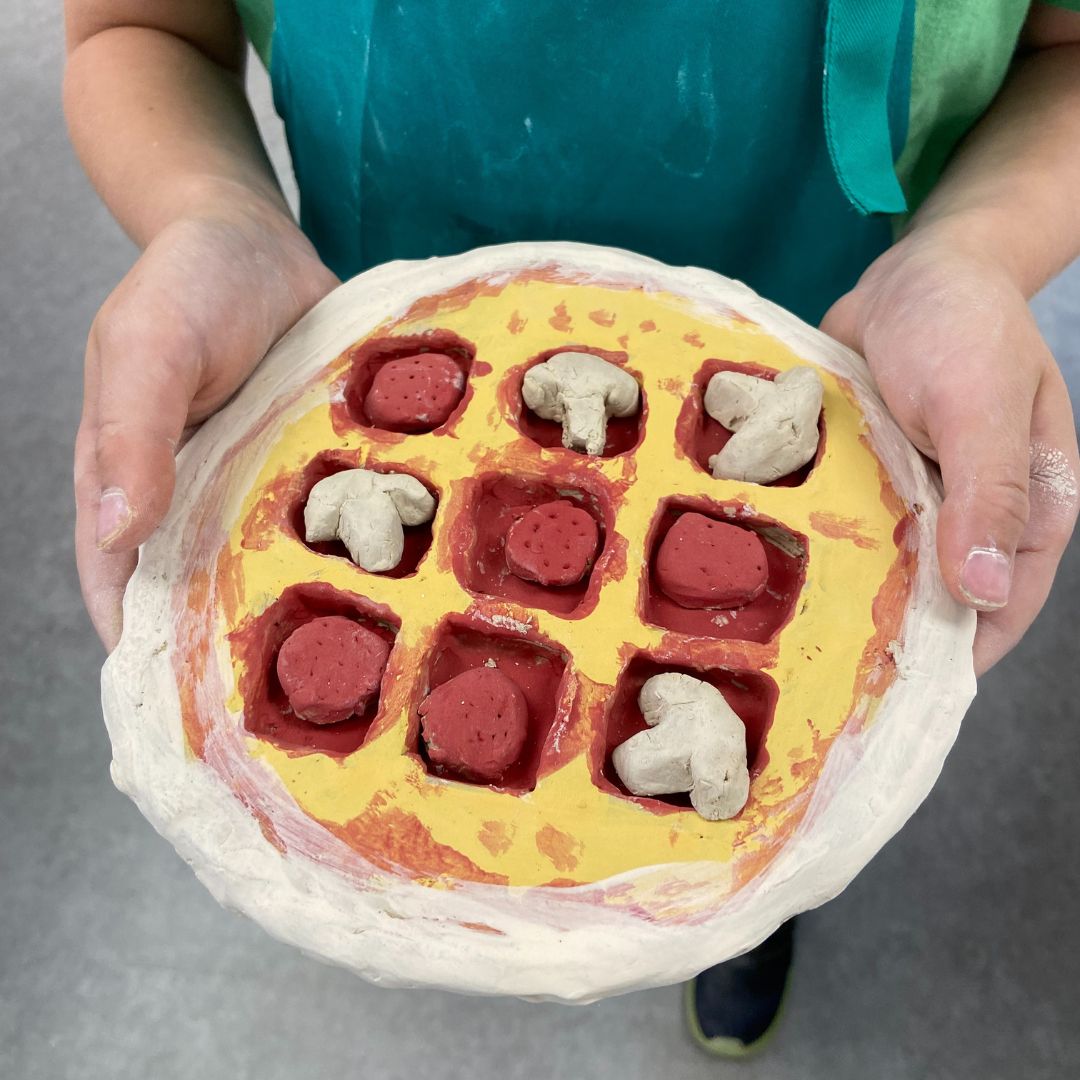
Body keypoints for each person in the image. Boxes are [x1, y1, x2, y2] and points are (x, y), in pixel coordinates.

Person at [64, 0, 1080, 1058]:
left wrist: (975, 249)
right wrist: (215, 212)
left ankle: (744, 912)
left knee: (767, 824)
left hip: (835, 333)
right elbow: (137, 28)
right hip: (370, 303)